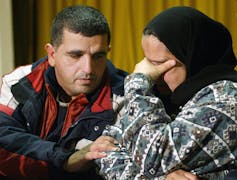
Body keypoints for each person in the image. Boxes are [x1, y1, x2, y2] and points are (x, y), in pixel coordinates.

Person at [97, 6, 237, 180]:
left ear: (194, 57)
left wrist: (138, 83)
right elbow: (105, 152)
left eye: (161, 64)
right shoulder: (162, 94)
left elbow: (153, 156)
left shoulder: (227, 101)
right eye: (148, 63)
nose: (153, 74)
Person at [0, 5, 128, 179]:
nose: (88, 68)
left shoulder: (127, 96)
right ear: (52, 54)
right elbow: (4, 142)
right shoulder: (20, 82)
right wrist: (67, 160)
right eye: (75, 56)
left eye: (98, 56)